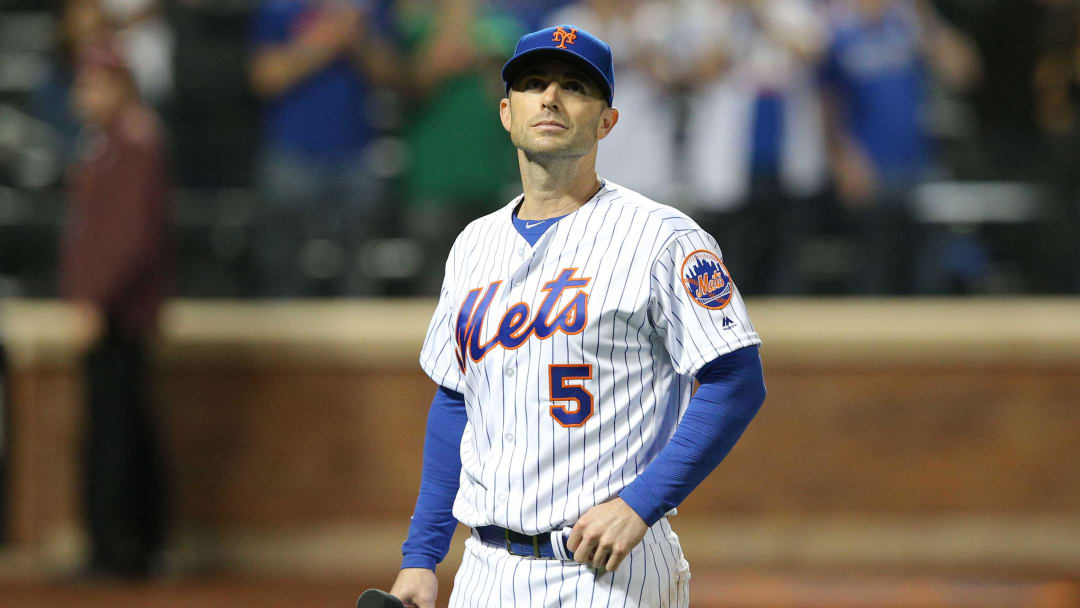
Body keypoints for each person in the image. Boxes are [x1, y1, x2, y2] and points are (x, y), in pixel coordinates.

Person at [385, 25, 767, 607]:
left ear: (607, 121)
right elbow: (455, 400)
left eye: (575, 87)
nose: (551, 98)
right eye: (534, 84)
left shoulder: (661, 237)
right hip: (485, 572)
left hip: (608, 572)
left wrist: (643, 502)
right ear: (507, 113)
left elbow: (736, 380)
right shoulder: (473, 245)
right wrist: (421, 557)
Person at [59, 42, 171, 578]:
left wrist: (94, 299)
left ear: (121, 86)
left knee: (114, 433)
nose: (84, 95)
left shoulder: (133, 144)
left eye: (94, 84)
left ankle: (116, 548)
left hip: (119, 315)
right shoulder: (107, 144)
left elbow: (130, 239)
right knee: (125, 427)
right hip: (112, 313)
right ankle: (140, 542)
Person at [249, 0, 400, 296]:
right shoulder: (279, 6)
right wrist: (326, 41)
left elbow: (395, 76)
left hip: (357, 154)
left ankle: (358, 343)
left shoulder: (371, 7)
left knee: (360, 280)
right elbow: (264, 77)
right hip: (291, 154)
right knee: (283, 277)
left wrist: (357, 41)